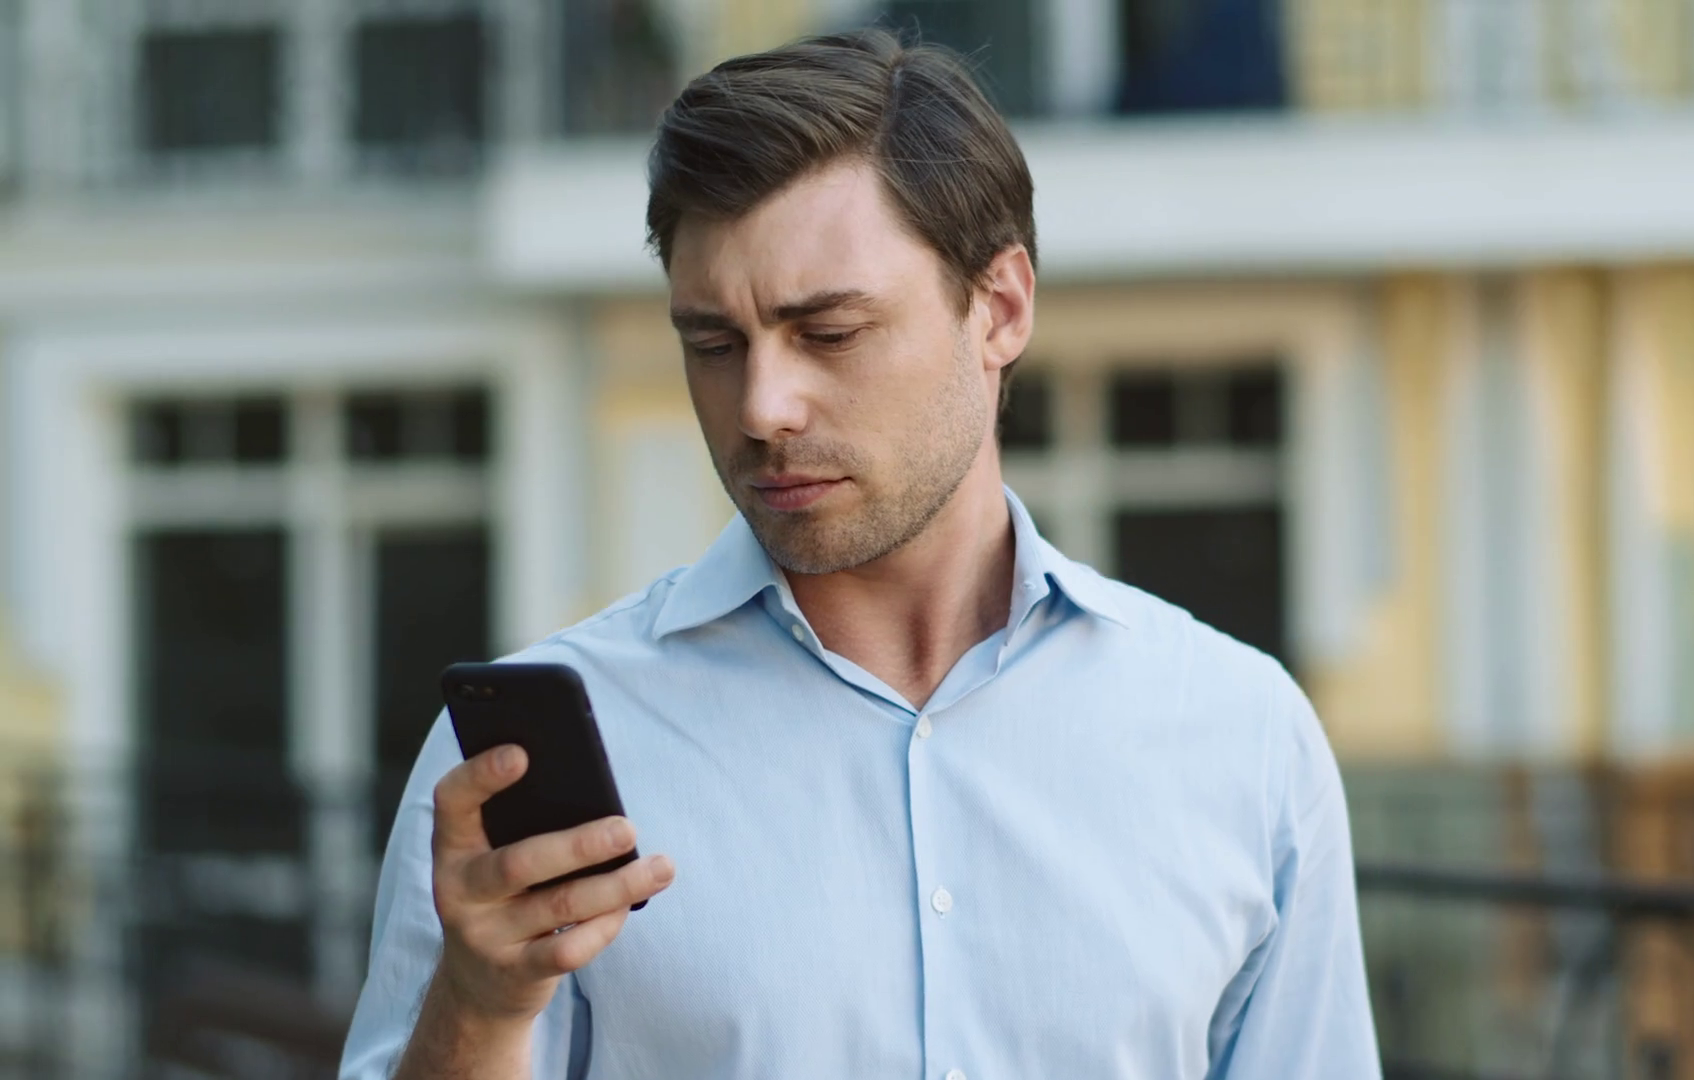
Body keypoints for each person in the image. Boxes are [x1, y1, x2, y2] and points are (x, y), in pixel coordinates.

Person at [340, 27, 1379, 1080]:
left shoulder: (1244, 741)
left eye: (829, 334)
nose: (761, 407)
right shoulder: (522, 766)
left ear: (1001, 308)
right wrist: (477, 1010)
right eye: (712, 344)